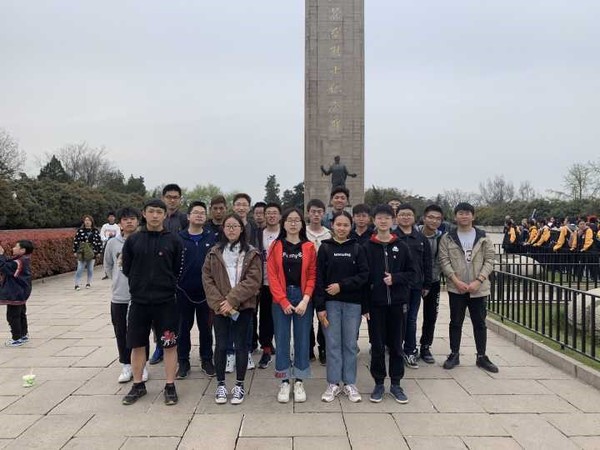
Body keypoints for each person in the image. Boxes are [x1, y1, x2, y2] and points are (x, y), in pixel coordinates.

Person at [121, 199, 183, 406]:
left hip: (166, 302)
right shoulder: (133, 240)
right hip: (139, 302)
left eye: (159, 212)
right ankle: (138, 384)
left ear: (165, 215)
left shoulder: (173, 240)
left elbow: (177, 269)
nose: (155, 215)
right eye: (151, 211)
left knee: (169, 344)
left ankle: (170, 385)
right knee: (137, 344)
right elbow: (127, 269)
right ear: (144, 213)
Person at [202, 213, 262, 405]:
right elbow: (207, 279)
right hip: (220, 308)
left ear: (241, 229)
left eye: (235, 226)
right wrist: (222, 303)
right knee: (220, 345)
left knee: (241, 345)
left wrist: (232, 300)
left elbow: (253, 281)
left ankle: (239, 384)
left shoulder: (251, 252)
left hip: (243, 307)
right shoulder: (214, 252)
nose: (231, 229)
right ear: (223, 228)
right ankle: (220, 384)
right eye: (228, 226)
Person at [315, 211, 369, 403]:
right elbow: (319, 278)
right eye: (338, 224)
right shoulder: (325, 248)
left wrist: (342, 286)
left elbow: (364, 275)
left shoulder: (357, 248)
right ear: (332, 225)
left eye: (346, 225)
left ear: (350, 226)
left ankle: (349, 383)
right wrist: (320, 306)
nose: (342, 228)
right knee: (332, 344)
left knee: (350, 344)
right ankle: (333, 383)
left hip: (352, 304)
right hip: (330, 305)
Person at [364, 204, 415, 403]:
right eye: (379, 217)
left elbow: (413, 273)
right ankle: (378, 383)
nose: (383, 221)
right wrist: (365, 306)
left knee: (396, 346)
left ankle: (396, 383)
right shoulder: (367, 247)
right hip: (375, 305)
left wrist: (396, 278)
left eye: (387, 218)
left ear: (392, 221)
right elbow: (363, 278)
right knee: (377, 346)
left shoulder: (401, 246)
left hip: (397, 304)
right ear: (374, 221)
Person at [438, 202, 498, 373]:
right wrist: (455, 280)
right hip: (457, 287)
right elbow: (444, 260)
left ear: (473, 216)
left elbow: (490, 260)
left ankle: (482, 356)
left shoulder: (483, 237)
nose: (464, 216)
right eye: (460, 213)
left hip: (478, 288)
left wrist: (479, 280)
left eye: (467, 213)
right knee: (455, 322)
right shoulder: (448, 238)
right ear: (455, 216)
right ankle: (454, 354)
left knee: (479, 323)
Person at [267, 208, 317, 403]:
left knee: (302, 339)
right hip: (281, 297)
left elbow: (312, 275)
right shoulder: (275, 246)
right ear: (284, 223)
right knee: (282, 339)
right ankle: (284, 380)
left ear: (302, 224)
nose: (293, 223)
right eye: (290, 220)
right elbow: (272, 276)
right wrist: (283, 300)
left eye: (297, 220)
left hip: (303, 297)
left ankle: (299, 381)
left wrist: (305, 299)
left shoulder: (309, 247)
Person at [103, 207, 149, 383]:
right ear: (120, 223)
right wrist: (117, 281)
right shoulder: (112, 244)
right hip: (119, 296)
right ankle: (126, 364)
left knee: (141, 332)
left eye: (132, 218)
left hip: (141, 295)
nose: (129, 222)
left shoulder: (144, 240)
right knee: (121, 331)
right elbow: (108, 266)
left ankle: (142, 365)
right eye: (125, 219)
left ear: (138, 221)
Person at [176, 201, 217, 379]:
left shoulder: (212, 238)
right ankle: (183, 361)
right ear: (188, 216)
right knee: (182, 328)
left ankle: (206, 359)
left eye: (202, 213)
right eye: (196, 212)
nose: (199, 215)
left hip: (206, 292)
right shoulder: (178, 238)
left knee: (206, 328)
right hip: (183, 291)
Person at [149, 183, 189, 365]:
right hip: (157, 272)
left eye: (175, 197)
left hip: (178, 272)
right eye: (169, 197)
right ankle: (159, 347)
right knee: (156, 315)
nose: (172, 200)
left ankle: (175, 347)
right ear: (163, 198)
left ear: (180, 199)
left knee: (176, 316)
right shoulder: (157, 218)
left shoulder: (184, 219)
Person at [396, 203, 432, 370]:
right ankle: (395, 347)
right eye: (402, 214)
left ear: (414, 217)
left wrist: (427, 283)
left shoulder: (421, 239)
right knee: (398, 319)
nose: (405, 217)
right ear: (396, 217)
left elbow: (427, 263)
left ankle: (410, 350)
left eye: (408, 214)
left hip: (415, 286)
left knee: (411, 319)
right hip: (396, 286)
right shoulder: (392, 236)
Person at [255, 202, 282, 369]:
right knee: (265, 318)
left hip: (282, 284)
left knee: (282, 318)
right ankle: (266, 349)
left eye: (274, 213)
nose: (271, 215)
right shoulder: (258, 235)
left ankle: (283, 348)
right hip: (263, 283)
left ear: (280, 216)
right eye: (268, 213)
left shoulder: (284, 234)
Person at [417, 204, 444, 364]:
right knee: (408, 316)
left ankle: (425, 346)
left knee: (431, 316)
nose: (434, 221)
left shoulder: (442, 238)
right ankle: (405, 345)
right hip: (413, 281)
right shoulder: (414, 233)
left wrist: (429, 280)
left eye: (438, 218)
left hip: (432, 282)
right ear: (424, 218)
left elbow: (440, 261)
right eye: (431, 217)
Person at [305, 198, 332, 364]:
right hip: (306, 280)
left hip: (323, 281)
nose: (316, 214)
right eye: (313, 211)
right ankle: (308, 347)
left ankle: (323, 347)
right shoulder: (302, 232)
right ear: (308, 213)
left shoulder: (329, 234)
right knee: (306, 317)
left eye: (319, 212)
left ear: (323, 214)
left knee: (324, 315)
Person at [1, 240, 34, 347]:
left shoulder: (19, 262)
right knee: (21, 314)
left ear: (23, 250)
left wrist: (0, 255)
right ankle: (23, 335)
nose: (13, 248)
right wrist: (2, 255)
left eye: (16, 247)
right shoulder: (23, 259)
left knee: (12, 316)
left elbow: (4, 267)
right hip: (21, 292)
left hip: (15, 293)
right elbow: (8, 262)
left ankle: (16, 338)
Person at [72, 215, 102, 290]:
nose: (87, 222)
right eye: (86, 220)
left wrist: (99, 252)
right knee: (80, 268)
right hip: (82, 251)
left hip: (92, 252)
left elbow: (99, 241)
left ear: (92, 222)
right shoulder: (80, 231)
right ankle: (77, 284)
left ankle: (88, 283)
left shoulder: (95, 231)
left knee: (90, 269)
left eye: (89, 220)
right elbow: (76, 241)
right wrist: (75, 251)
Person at [100, 212, 120, 279]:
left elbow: (118, 235)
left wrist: (113, 239)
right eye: (110, 216)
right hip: (106, 244)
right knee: (106, 259)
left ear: (115, 218)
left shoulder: (117, 227)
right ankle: (106, 273)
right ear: (108, 218)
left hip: (114, 245)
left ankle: (114, 272)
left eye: (112, 216)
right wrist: (106, 239)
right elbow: (102, 235)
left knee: (114, 258)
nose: (111, 218)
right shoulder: (104, 226)